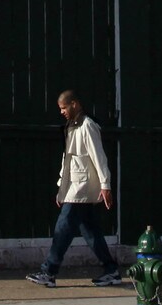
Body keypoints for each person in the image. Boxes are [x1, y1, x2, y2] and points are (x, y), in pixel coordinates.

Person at [28, 90, 125, 288]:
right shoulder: (72, 127)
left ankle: (49, 271)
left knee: (62, 229)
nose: (62, 112)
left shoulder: (87, 126)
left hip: (82, 190)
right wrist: (61, 188)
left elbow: (99, 157)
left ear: (74, 104)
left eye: (64, 107)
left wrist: (106, 185)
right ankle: (111, 270)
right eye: (60, 109)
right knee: (91, 232)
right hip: (75, 189)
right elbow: (68, 161)